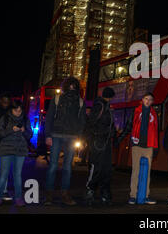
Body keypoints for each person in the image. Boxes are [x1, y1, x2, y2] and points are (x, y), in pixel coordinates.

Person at [44, 77, 86, 206]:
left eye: (74, 86)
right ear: (66, 86)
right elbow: (49, 117)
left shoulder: (80, 101)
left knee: (67, 167)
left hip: (71, 136)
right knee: (53, 166)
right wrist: (48, 135)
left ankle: (64, 193)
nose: (71, 88)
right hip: (57, 135)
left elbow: (82, 121)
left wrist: (80, 137)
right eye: (70, 86)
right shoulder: (57, 99)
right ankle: (49, 195)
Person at [118, 92, 159, 205]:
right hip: (137, 145)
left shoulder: (154, 114)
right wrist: (120, 139)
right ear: (142, 99)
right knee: (135, 171)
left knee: (147, 172)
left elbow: (156, 132)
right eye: (146, 98)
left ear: (152, 102)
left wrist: (156, 147)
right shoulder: (136, 112)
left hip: (149, 146)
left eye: (150, 99)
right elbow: (129, 126)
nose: (148, 101)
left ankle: (145, 196)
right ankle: (133, 196)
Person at [0, 100, 32, 207]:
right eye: (16, 110)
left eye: (20, 110)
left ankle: (18, 198)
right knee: (3, 174)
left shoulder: (25, 118)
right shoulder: (4, 118)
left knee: (17, 175)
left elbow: (30, 135)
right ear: (11, 109)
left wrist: (24, 131)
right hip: (6, 149)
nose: (18, 113)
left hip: (20, 150)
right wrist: (11, 129)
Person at [83, 87, 117, 206]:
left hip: (106, 143)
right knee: (96, 168)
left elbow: (110, 125)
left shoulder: (107, 107)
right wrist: (92, 139)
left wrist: (112, 134)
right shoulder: (99, 106)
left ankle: (104, 192)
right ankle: (90, 191)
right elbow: (91, 124)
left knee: (106, 169)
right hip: (98, 142)